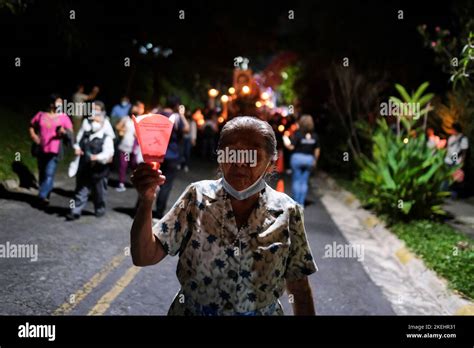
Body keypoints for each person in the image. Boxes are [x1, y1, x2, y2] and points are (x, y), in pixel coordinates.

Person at [130, 116, 317, 316]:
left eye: (253, 155)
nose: (240, 162)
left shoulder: (288, 211)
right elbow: (144, 256)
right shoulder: (196, 197)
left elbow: (299, 289)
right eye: (231, 152)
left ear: (272, 163)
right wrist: (146, 200)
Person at [66, 112, 114, 220]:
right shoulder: (86, 134)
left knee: (99, 193)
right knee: (81, 191)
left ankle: (99, 209)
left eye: (97, 121)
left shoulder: (106, 138)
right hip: (86, 169)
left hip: (100, 171)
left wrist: (97, 157)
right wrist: (77, 149)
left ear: (103, 123)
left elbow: (109, 153)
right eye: (92, 121)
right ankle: (75, 211)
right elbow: (78, 143)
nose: (94, 123)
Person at [29, 94, 73, 207]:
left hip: (55, 150)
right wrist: (34, 136)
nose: (60, 104)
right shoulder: (41, 115)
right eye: (58, 102)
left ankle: (42, 195)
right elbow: (31, 125)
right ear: (51, 103)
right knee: (43, 174)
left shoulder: (64, 117)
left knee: (49, 173)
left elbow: (71, 133)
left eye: (61, 102)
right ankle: (46, 197)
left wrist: (64, 132)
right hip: (41, 149)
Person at [154, 96, 189, 218]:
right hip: (172, 155)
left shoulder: (157, 114)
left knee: (151, 180)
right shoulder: (176, 117)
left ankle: (142, 207)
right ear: (176, 105)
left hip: (156, 153)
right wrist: (182, 114)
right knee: (166, 184)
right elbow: (186, 129)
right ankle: (159, 212)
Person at [283, 115, 320, 206]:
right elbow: (317, 150)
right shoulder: (315, 136)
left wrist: (285, 141)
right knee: (304, 182)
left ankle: (295, 203)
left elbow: (291, 147)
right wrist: (315, 160)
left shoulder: (298, 134)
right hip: (309, 160)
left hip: (297, 159)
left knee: (296, 180)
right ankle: (301, 203)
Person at [115, 101, 143, 192]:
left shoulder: (140, 121)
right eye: (135, 106)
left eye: (139, 107)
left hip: (136, 149)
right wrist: (121, 130)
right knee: (123, 165)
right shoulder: (126, 119)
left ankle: (136, 181)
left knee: (134, 165)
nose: (136, 109)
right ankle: (121, 183)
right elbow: (118, 127)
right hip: (125, 147)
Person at [444, 122, 469, 197]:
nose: (451, 130)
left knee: (454, 178)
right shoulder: (451, 137)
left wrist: (460, 162)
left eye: (452, 129)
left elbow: (464, 151)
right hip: (448, 159)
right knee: (446, 176)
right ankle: (444, 192)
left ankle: (452, 193)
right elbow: (448, 148)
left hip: (455, 159)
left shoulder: (463, 138)